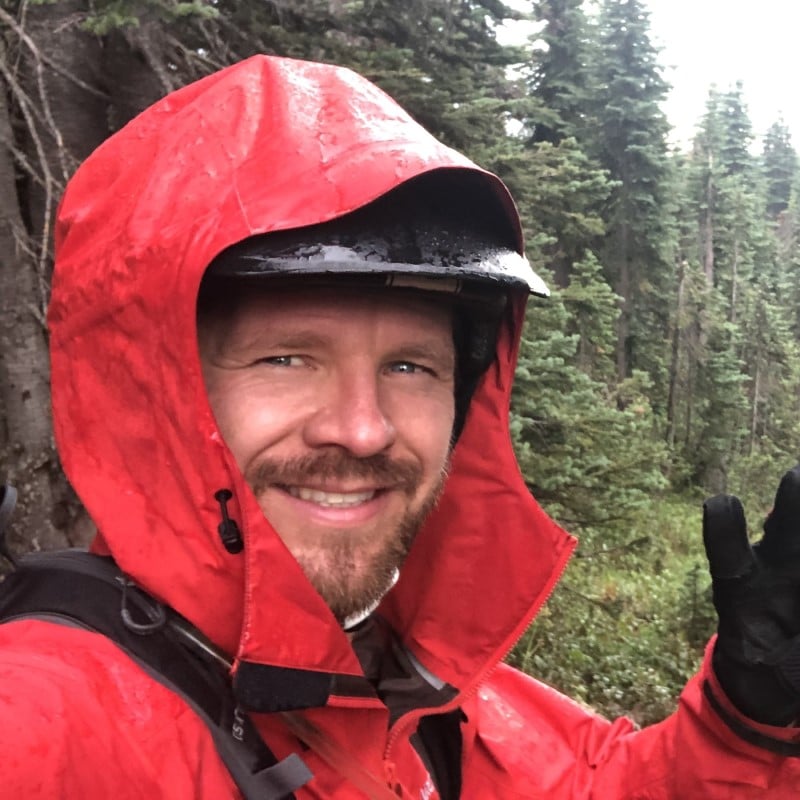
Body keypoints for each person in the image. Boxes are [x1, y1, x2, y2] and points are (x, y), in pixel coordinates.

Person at [1, 53, 800, 799]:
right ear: (154, 392)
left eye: (410, 367)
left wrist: (743, 727)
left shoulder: (422, 696)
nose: (364, 429)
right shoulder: (48, 727)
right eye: (287, 359)